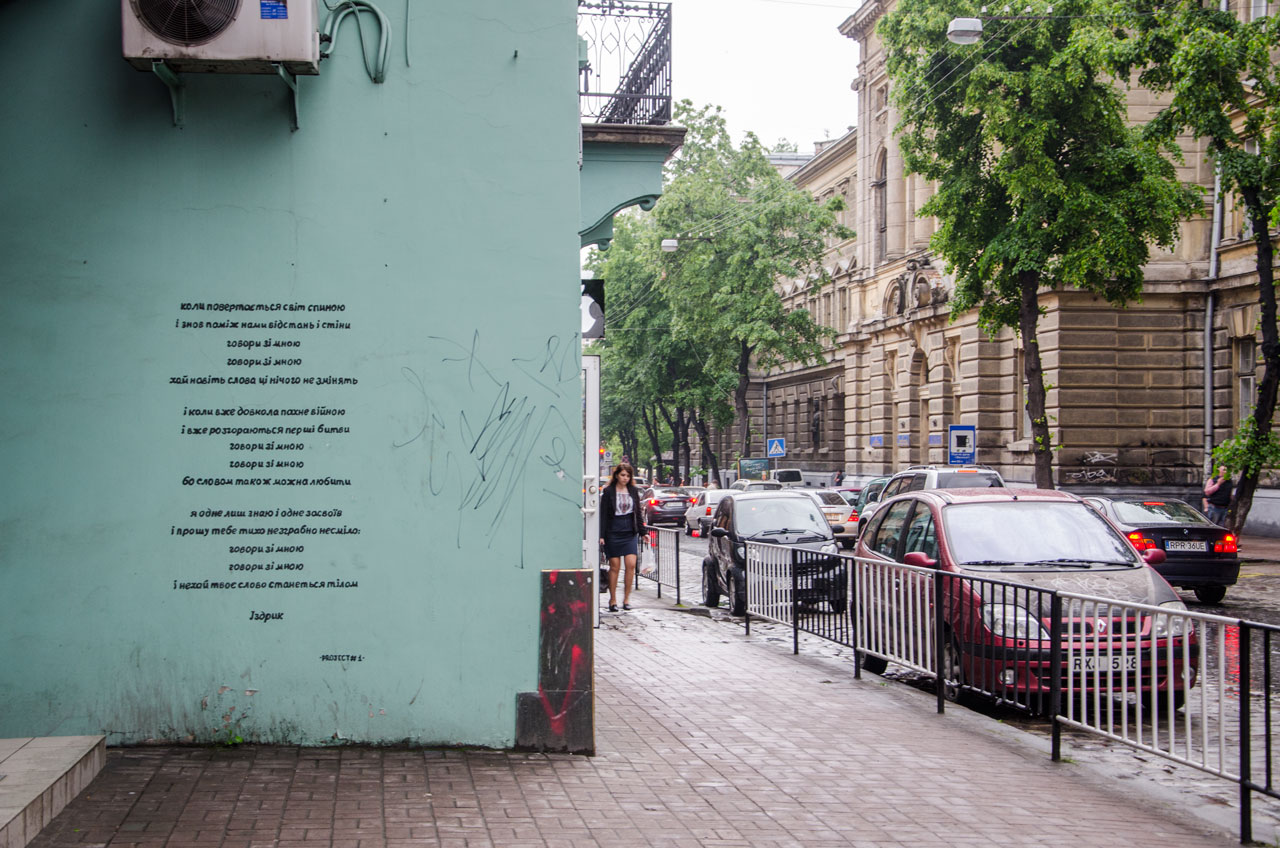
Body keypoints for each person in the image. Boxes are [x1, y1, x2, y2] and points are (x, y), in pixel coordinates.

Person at [599, 463, 643, 612]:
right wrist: (602, 535)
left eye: (628, 476)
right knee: (615, 566)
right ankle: (612, 599)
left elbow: (638, 512)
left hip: (629, 531)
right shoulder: (608, 491)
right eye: (623, 475)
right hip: (613, 531)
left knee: (631, 564)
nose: (625, 478)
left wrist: (643, 532)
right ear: (617, 475)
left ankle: (626, 599)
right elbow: (603, 514)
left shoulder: (633, 491)